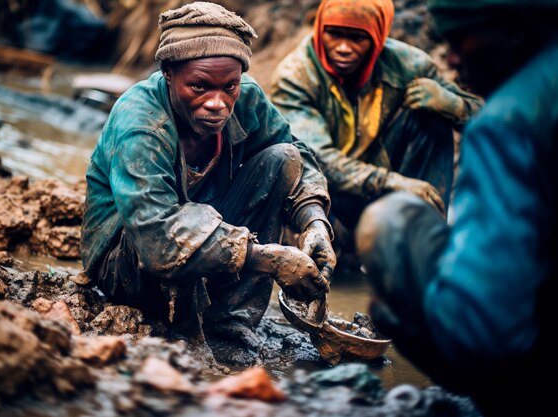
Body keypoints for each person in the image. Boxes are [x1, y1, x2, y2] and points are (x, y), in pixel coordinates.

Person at [80, 2, 335, 358]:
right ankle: (183, 329)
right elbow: (156, 236)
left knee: (282, 159)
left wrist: (315, 222)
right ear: (169, 73)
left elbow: (293, 153)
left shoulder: (246, 97)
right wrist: (271, 259)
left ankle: (230, 324)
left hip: (203, 234)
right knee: (191, 217)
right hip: (127, 261)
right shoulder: (140, 122)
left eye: (228, 86)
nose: (217, 103)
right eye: (199, 87)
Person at [355, 0, 558, 415]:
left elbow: (483, 327)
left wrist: (397, 314)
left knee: (389, 224)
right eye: (335, 36)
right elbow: (312, 151)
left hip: (519, 365)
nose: (450, 57)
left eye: (460, 40)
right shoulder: (298, 75)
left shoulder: (509, 121)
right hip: (349, 191)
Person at [270, 0, 483, 259]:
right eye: (334, 34)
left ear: (377, 37)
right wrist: (393, 182)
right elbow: (317, 159)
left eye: (357, 38)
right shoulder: (296, 75)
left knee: (433, 119)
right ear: (320, 29)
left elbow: (493, 118)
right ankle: (343, 248)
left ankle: (423, 243)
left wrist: (454, 105)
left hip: (389, 186)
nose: (344, 48)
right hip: (329, 199)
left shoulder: (408, 64)